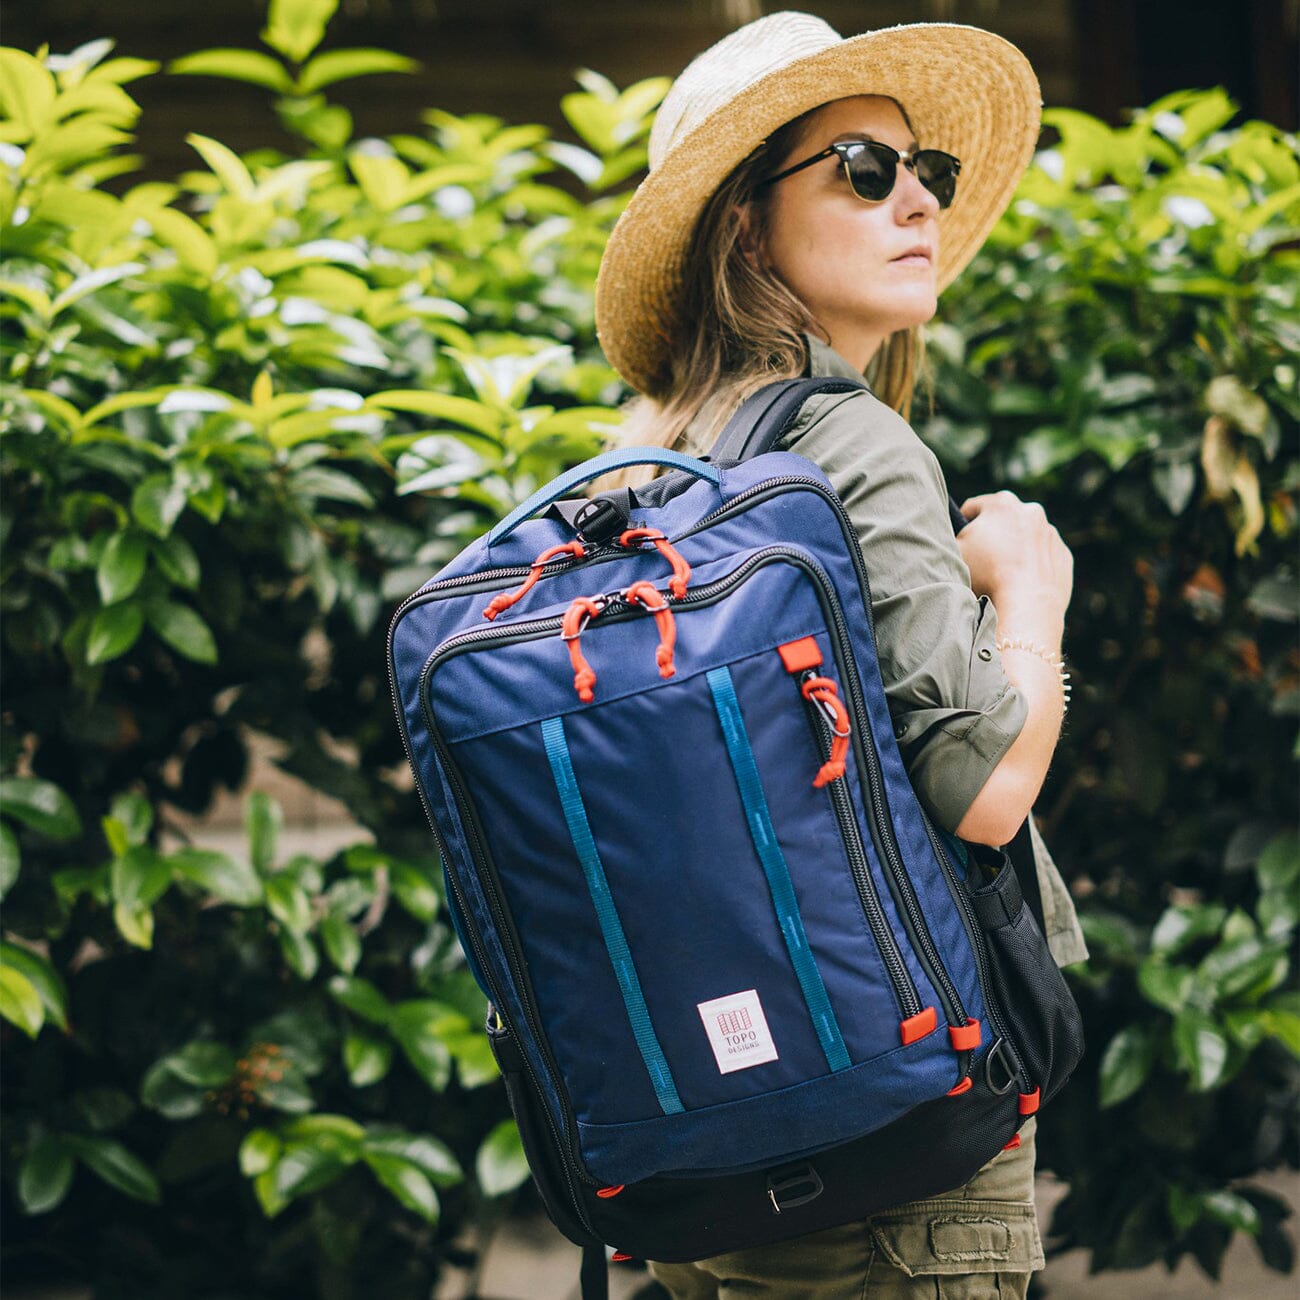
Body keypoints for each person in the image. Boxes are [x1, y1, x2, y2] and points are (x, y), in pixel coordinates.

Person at [592, 12, 1088, 1298]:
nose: (914, 193)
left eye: (928, 169)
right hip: (889, 1156)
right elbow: (985, 788)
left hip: (700, 1146)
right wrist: (1031, 596)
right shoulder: (853, 445)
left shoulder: (650, 453)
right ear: (745, 226)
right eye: (863, 169)